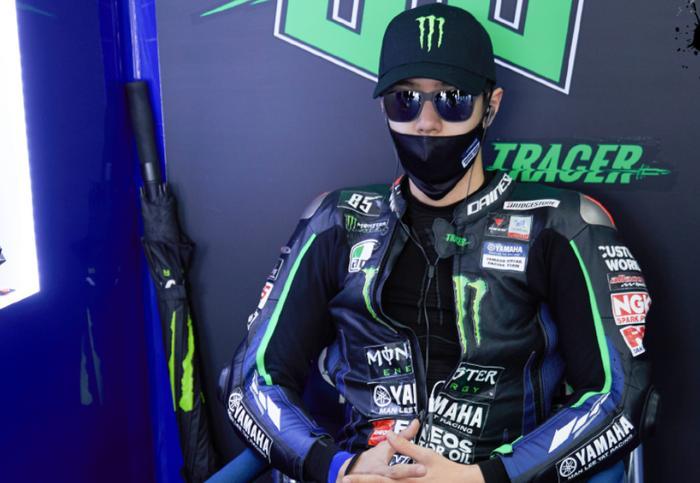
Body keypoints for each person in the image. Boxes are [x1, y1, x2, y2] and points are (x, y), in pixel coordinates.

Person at [222, 4, 656, 482]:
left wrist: (486, 477)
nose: (426, 122)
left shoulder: (562, 223)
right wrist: (338, 468)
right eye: (404, 101)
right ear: (383, 106)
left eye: (452, 99)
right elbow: (250, 382)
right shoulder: (336, 220)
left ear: (491, 105)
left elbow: (622, 395)